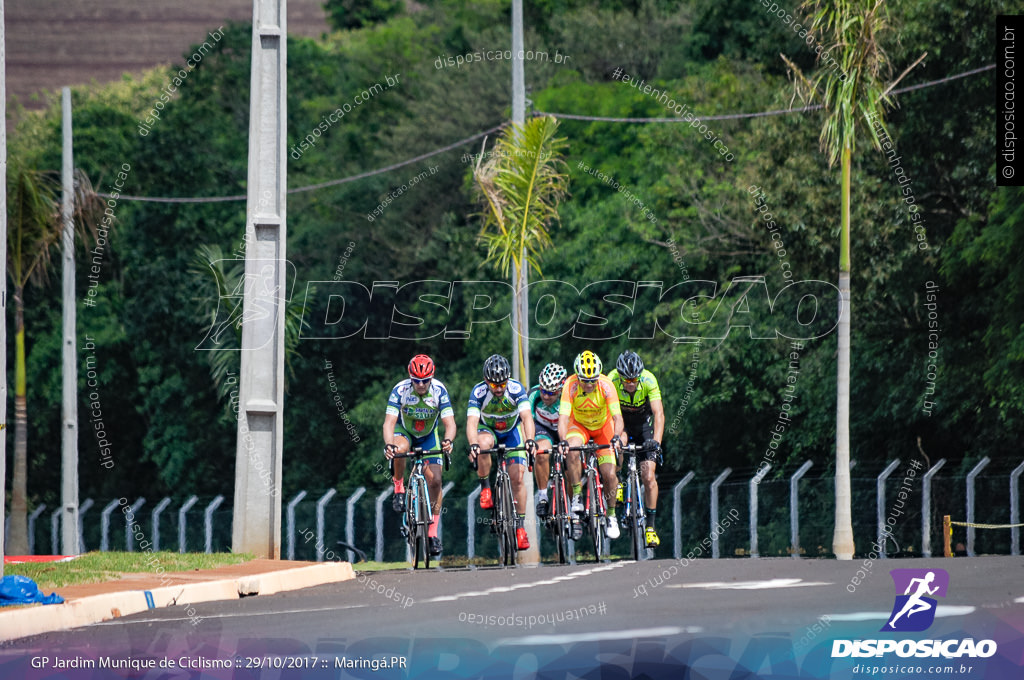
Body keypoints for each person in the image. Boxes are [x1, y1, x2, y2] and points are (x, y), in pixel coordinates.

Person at [382, 354, 457, 557]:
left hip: (429, 437)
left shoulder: (439, 391)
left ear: (431, 377)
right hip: (405, 433)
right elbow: (389, 423)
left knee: (436, 481)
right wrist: (389, 444)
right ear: (410, 377)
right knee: (399, 450)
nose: (421, 384)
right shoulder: (400, 390)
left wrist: (448, 441)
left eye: (425, 380)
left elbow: (450, 424)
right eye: (417, 380)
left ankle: (432, 534)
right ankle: (399, 488)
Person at [466, 354, 538, 551]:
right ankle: (486, 487)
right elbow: (472, 422)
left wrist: (530, 440)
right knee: (482, 445)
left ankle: (520, 528)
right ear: (486, 381)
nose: (498, 389)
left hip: (511, 431)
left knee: (517, 478)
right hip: (488, 429)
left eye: (502, 384)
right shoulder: (479, 391)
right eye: (494, 385)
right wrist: (473, 443)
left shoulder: (516, 389)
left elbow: (526, 417)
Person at [557, 350, 626, 540]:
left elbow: (617, 418)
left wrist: (617, 436)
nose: (588, 384)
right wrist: (563, 441)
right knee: (571, 450)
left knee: (610, 474)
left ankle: (611, 515)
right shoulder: (570, 386)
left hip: (603, 428)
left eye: (592, 380)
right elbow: (563, 419)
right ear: (577, 377)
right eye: (584, 380)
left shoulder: (606, 385)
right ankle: (577, 495)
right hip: (579, 426)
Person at [608, 350, 666, 548]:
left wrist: (656, 442)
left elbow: (659, 414)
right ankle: (620, 482)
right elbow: (608, 414)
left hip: (644, 426)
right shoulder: (611, 379)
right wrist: (613, 438)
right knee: (618, 445)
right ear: (620, 376)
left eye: (634, 379)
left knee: (649, 476)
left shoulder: (649, 380)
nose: (631, 383)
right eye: (626, 379)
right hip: (622, 423)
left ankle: (650, 528)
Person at [528, 363, 568, 517]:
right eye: (543, 391)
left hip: (565, 428)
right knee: (541, 453)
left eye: (551, 393)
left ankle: (576, 506)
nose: (545, 396)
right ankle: (543, 496)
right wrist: (529, 443)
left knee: (571, 461)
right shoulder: (533, 395)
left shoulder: (568, 394)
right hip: (543, 428)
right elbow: (527, 422)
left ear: (560, 390)